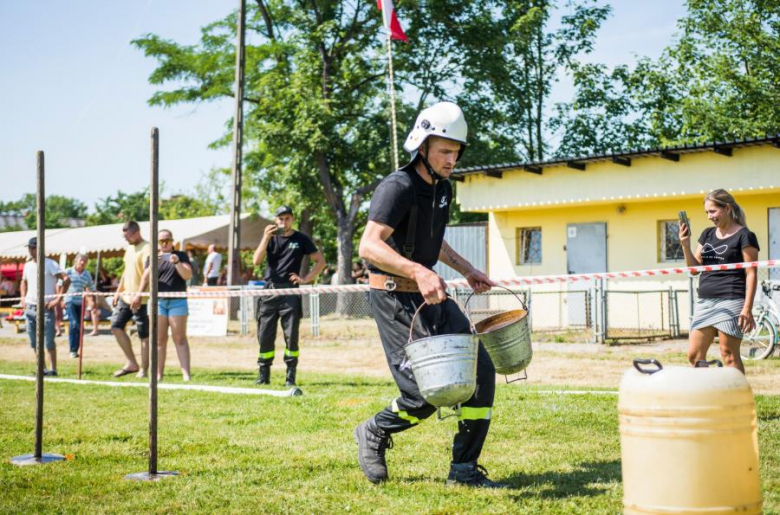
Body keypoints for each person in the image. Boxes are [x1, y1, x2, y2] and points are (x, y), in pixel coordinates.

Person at [354, 102, 505, 488]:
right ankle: (374, 430)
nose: (452, 158)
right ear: (422, 147)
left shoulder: (442, 189)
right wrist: (418, 271)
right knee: (424, 393)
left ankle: (464, 470)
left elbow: (433, 243)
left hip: (432, 295)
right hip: (393, 297)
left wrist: (467, 270)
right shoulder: (397, 187)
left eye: (456, 151)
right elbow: (369, 247)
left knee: (480, 372)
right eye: (444, 150)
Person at [681, 189, 760, 373]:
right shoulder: (707, 234)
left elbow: (751, 273)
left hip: (731, 299)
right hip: (705, 301)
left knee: (728, 354)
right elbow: (694, 269)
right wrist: (685, 245)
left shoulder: (745, 235)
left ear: (727, 208)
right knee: (694, 356)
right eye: (707, 212)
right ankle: (708, 394)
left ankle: (738, 400)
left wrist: (747, 309)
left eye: (713, 211)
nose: (709, 216)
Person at [251, 205, 326, 386]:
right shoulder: (270, 238)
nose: (283, 222)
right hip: (269, 290)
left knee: (291, 335)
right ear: (275, 220)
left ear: (292, 219)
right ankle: (263, 376)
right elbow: (256, 261)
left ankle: (290, 376)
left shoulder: (301, 239)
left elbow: (320, 262)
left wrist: (306, 279)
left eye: (287, 218)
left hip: (290, 292)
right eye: (280, 219)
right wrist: (265, 237)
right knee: (265, 334)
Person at [137, 229, 193, 381]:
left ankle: (186, 374)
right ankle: (158, 374)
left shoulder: (181, 255)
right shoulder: (152, 257)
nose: (164, 243)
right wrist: (154, 261)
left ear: (172, 241)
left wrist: (176, 262)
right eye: (161, 241)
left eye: (167, 240)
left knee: (179, 338)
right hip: (158, 303)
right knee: (159, 340)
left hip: (178, 301)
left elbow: (187, 275)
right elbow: (146, 278)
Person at [19, 237, 70, 376]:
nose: (30, 250)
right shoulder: (28, 265)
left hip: (46, 308)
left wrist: (57, 299)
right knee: (34, 342)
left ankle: (53, 370)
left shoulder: (50, 264)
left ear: (39, 248)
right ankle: (41, 369)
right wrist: (23, 298)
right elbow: (23, 282)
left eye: (33, 247)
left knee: (49, 341)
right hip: (30, 307)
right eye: (29, 247)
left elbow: (66, 279)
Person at [110, 221, 151, 378]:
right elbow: (126, 272)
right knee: (115, 326)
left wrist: (139, 294)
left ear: (136, 233)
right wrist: (118, 291)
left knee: (144, 335)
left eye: (127, 236)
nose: (125, 239)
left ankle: (144, 369)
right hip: (126, 297)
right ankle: (132, 363)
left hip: (142, 299)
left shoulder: (147, 248)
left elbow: (147, 272)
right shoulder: (129, 248)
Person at [63, 254, 95, 358]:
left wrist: (92, 302)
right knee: (74, 323)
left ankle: (75, 350)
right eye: (81, 260)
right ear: (76, 260)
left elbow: (91, 288)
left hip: (80, 303)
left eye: (85, 261)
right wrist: (60, 299)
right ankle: (72, 350)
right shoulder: (68, 271)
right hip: (69, 301)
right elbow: (59, 284)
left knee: (79, 326)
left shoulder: (87, 274)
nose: (83, 262)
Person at [88, 267, 113, 336]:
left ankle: (95, 330)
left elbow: (95, 305)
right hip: (95, 311)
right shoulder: (86, 294)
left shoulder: (98, 294)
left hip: (106, 311)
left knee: (94, 311)